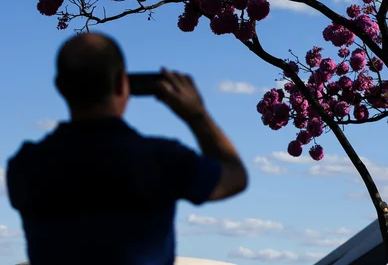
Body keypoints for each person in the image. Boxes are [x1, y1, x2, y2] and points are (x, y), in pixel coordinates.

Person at [5, 32, 249, 265]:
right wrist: (197, 115)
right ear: (123, 84)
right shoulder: (161, 159)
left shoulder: (25, 166)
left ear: (60, 87)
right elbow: (235, 177)